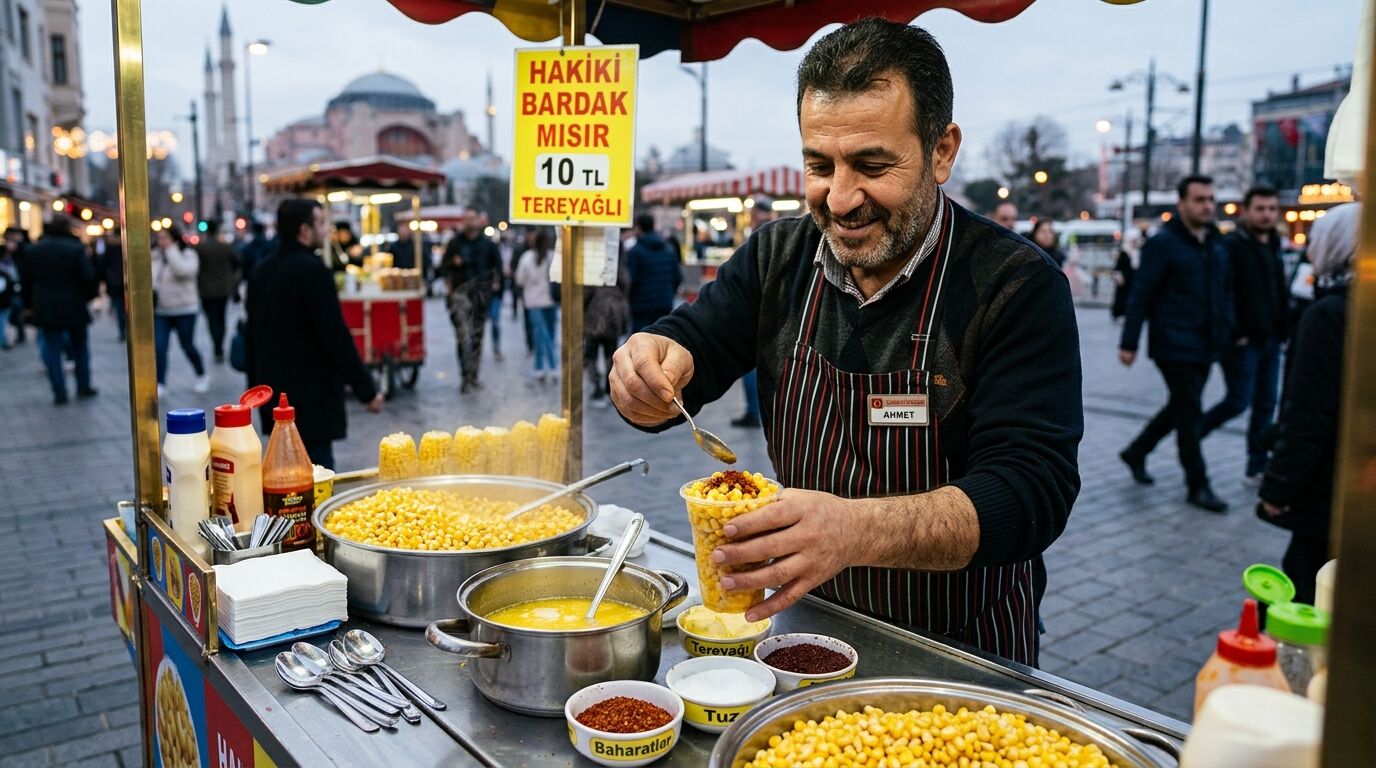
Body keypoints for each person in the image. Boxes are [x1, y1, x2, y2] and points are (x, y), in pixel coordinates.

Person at [609, 19, 1081, 667]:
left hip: (961, 651)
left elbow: (1031, 492)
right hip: (808, 628)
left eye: (871, 165)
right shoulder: (778, 254)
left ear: (942, 151)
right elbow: (695, 341)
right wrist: (650, 369)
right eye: (818, 165)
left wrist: (856, 530)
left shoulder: (1014, 285)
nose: (840, 197)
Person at [1258, 202, 1358, 604]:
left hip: (1327, 491)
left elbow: (1308, 412)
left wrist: (1279, 488)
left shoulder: (1329, 314)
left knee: (1303, 595)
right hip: (1352, 488)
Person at [1117, 176, 1231, 512]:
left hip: (1206, 342)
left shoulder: (1215, 242)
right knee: (1190, 412)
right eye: (1199, 200)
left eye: (1211, 199)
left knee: (1181, 406)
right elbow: (1142, 293)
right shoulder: (1163, 243)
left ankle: (1137, 451)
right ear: (1181, 203)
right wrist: (1129, 342)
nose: (1207, 206)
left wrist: (1228, 329)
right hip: (1174, 343)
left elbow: (1224, 291)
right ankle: (1198, 483)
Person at [246, 198, 383, 469]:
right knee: (316, 477)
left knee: (282, 478)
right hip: (311, 399)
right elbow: (335, 336)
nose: (325, 230)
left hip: (274, 399)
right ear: (304, 230)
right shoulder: (313, 271)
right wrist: (366, 390)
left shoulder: (261, 270)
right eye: (320, 223)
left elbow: (253, 337)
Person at [1200, 186, 1288, 482]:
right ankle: (1193, 433)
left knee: (1266, 403)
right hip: (1243, 341)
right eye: (1261, 208)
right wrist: (1235, 331)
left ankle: (1257, 464)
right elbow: (1222, 291)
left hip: (1271, 338)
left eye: (1272, 209)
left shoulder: (1274, 244)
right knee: (1238, 400)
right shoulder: (1232, 245)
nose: (1267, 215)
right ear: (1246, 211)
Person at [23, 215, 96, 404]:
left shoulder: (34, 251)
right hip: (74, 305)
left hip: (46, 306)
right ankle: (83, 385)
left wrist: (29, 306)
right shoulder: (75, 249)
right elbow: (87, 277)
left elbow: (27, 281)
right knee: (80, 347)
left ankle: (59, 391)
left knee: (52, 349)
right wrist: (86, 297)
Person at [440, 209, 503, 392]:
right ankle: (465, 375)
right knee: (463, 338)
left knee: (476, 338)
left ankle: (473, 374)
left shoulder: (487, 244)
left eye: (472, 218)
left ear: (478, 220)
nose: (470, 222)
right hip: (460, 298)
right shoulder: (455, 243)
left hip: (480, 299)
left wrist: (495, 288)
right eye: (466, 218)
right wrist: (453, 264)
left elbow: (497, 267)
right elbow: (443, 267)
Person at [153, 225, 210, 395]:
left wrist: (171, 251)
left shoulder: (188, 255)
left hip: (184, 309)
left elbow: (184, 272)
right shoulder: (155, 256)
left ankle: (202, 374)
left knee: (187, 345)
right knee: (160, 347)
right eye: (159, 238)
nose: (161, 241)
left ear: (174, 239)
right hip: (161, 311)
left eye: (165, 238)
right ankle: (161, 382)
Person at [514, 229, 558, 382]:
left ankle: (541, 367)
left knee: (540, 336)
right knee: (549, 336)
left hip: (533, 302)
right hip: (551, 301)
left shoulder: (527, 258)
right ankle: (551, 367)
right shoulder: (553, 257)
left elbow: (519, 279)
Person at [625, 215, 682, 332]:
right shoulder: (668, 249)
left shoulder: (635, 251)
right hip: (664, 303)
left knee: (641, 342)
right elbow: (678, 276)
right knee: (661, 338)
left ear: (639, 228)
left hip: (641, 306)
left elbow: (631, 279)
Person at [196, 219, 240, 364]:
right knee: (221, 318)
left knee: (212, 319)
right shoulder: (226, 247)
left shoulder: (201, 248)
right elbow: (237, 262)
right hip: (223, 289)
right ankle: (219, 345)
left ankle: (217, 345)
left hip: (206, 290)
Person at [99, 228, 126, 342]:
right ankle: (126, 329)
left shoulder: (110, 248)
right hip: (122, 282)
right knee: (123, 308)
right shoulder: (123, 248)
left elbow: (103, 266)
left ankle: (122, 330)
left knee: (119, 308)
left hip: (114, 282)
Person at [6, 227, 31, 345]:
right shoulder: (11, 253)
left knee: (17, 309)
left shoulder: (23, 250)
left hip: (19, 285)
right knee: (15, 310)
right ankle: (21, 333)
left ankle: (21, 334)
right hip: (13, 285)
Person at [1110, 240, 1136, 322]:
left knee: (1124, 297)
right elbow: (1118, 266)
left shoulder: (1131, 253)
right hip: (1123, 279)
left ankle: (1122, 313)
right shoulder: (1124, 253)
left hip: (1128, 279)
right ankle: (1119, 313)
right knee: (1121, 297)